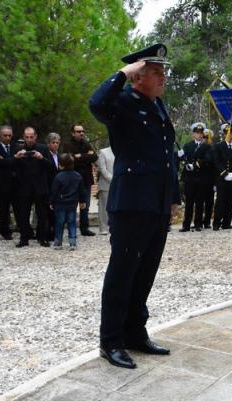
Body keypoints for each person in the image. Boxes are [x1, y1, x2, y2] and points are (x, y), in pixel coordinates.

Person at [89, 43, 179, 369]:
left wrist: (173, 200)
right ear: (138, 77)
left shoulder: (158, 107)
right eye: (157, 72)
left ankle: (135, 332)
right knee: (122, 273)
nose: (163, 78)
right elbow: (96, 104)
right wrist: (123, 73)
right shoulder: (123, 103)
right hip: (131, 204)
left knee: (145, 273)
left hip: (156, 204)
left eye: (163, 72)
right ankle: (110, 341)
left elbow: (168, 158)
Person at [14, 127, 51, 248]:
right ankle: (24, 238)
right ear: (24, 137)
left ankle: (42, 237)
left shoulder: (43, 148)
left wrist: (42, 158)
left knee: (42, 214)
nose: (29, 139)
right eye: (27, 137)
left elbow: (51, 167)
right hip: (24, 187)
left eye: (31, 137)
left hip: (40, 187)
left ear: (36, 136)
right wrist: (17, 157)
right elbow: (12, 167)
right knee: (23, 215)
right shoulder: (18, 148)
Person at [64, 124, 98, 236]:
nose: (81, 133)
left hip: (86, 180)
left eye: (82, 131)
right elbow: (70, 160)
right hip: (73, 180)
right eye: (78, 131)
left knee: (86, 206)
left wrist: (80, 156)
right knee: (72, 206)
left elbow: (95, 157)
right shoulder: (68, 145)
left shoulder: (86, 143)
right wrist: (86, 156)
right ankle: (72, 229)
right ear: (72, 133)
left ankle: (84, 228)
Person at [49, 153, 88, 250]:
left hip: (60, 203)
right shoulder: (78, 176)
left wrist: (51, 202)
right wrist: (82, 201)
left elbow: (54, 191)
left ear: (61, 165)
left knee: (59, 223)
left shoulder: (58, 177)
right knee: (72, 222)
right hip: (72, 204)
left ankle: (58, 243)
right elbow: (82, 190)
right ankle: (72, 243)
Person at [179, 122, 211, 232]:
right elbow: (184, 158)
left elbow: (207, 160)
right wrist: (184, 162)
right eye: (197, 133)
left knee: (199, 202)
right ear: (193, 134)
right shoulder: (188, 146)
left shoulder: (206, 147)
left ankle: (198, 224)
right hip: (190, 178)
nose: (199, 135)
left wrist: (196, 165)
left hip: (201, 177)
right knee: (189, 202)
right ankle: (186, 225)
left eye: (201, 133)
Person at [212, 125, 232, 230]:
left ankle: (226, 223)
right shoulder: (218, 146)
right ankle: (216, 223)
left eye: (231, 133)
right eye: (227, 133)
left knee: (230, 202)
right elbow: (216, 162)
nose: (229, 135)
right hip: (222, 179)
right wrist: (225, 174)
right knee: (220, 201)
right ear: (224, 134)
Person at [0, 125, 18, 240]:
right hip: (1, 183)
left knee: (18, 207)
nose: (7, 137)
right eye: (5, 135)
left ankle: (23, 229)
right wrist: (14, 158)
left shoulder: (15, 146)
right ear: (0, 136)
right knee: (3, 209)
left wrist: (7, 160)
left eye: (9, 135)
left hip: (15, 182)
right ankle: (5, 231)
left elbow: (10, 163)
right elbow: (0, 163)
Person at [45, 132, 61, 241]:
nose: (55, 145)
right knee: (47, 211)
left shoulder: (60, 156)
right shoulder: (46, 155)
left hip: (58, 188)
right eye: (53, 142)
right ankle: (48, 233)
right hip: (48, 186)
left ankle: (56, 232)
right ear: (48, 144)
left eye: (57, 143)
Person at [97, 145, 115, 234]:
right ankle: (103, 227)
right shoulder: (103, 152)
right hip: (106, 184)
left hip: (119, 184)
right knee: (104, 206)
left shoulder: (123, 151)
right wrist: (114, 179)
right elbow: (102, 169)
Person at [201, 128, 216, 228]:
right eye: (204, 137)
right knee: (199, 201)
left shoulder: (213, 148)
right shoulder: (199, 147)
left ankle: (207, 222)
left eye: (207, 137)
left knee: (209, 202)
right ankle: (198, 222)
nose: (205, 139)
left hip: (210, 178)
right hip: (200, 178)